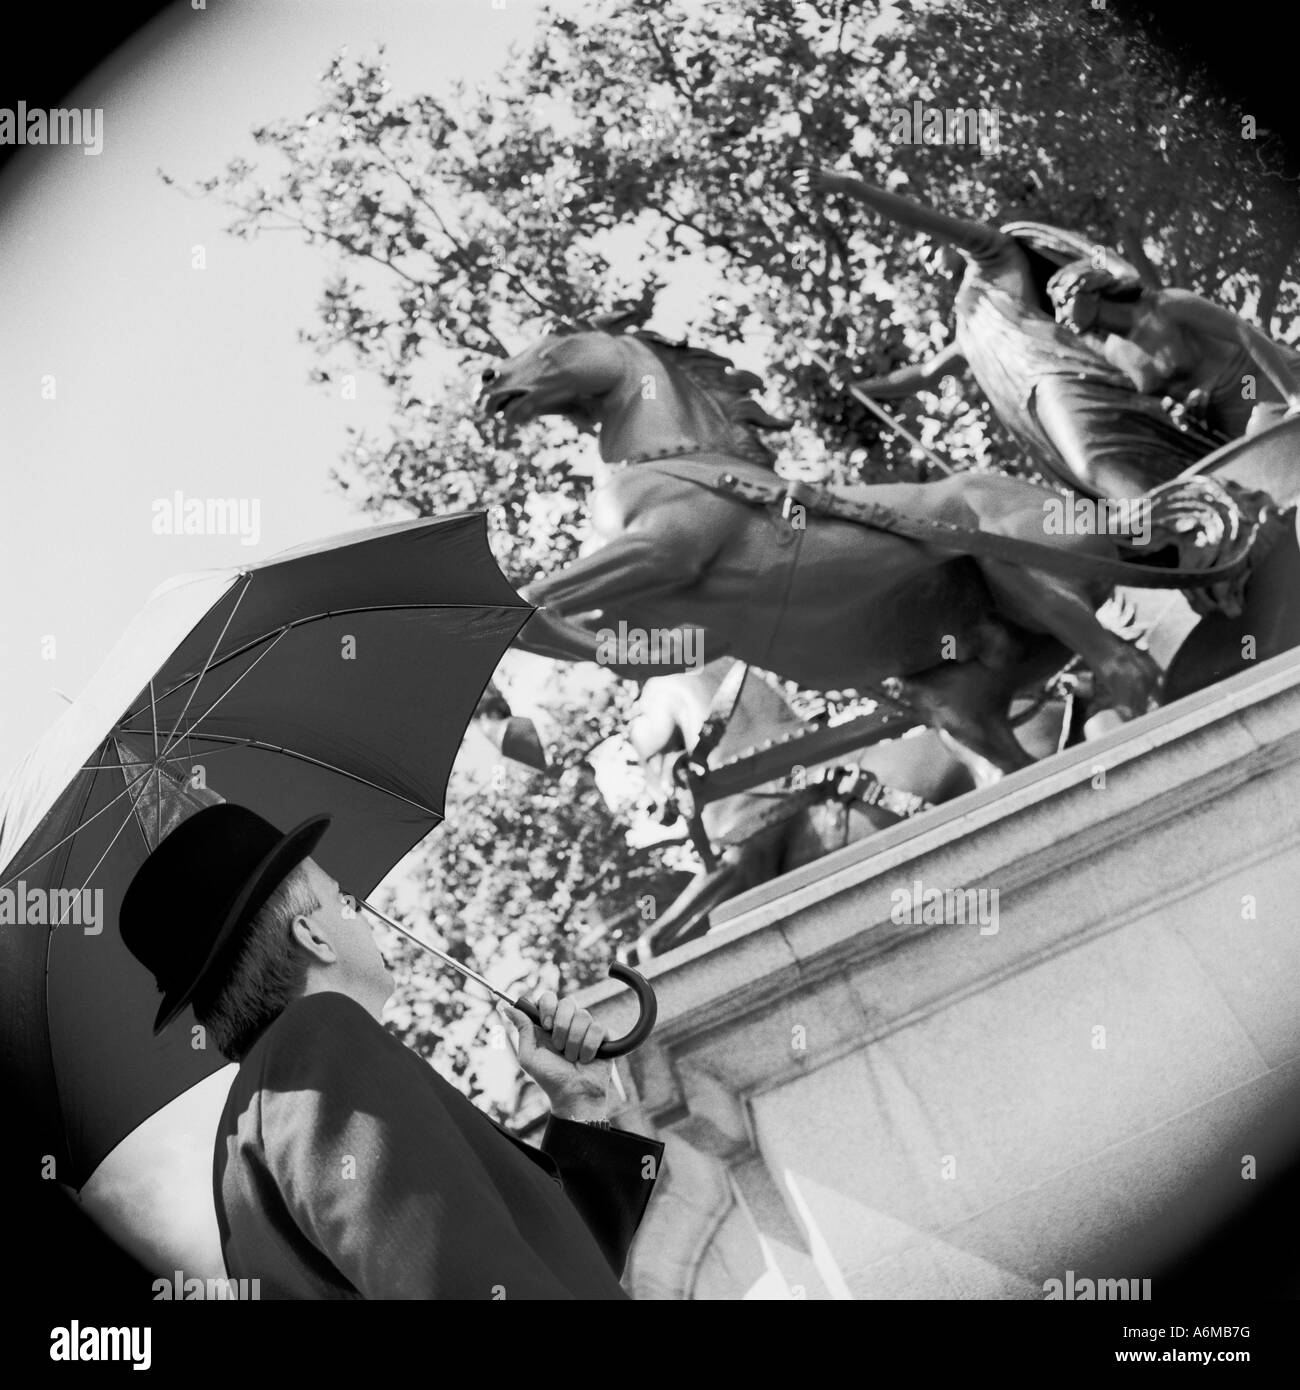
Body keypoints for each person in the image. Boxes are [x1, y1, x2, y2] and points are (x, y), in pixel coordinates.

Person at [120, 803, 664, 1300]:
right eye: (341, 898)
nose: (359, 908)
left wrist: (582, 1108)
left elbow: (552, 1269)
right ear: (313, 935)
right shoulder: (320, 1040)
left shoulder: (251, 1131)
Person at [796, 166, 1215, 500]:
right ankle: (1191, 515)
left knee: (1095, 462)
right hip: (1033, 409)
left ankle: (1186, 529)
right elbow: (927, 374)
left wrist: (848, 186)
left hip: (1061, 377)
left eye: (929, 248)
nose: (926, 261)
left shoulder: (993, 256)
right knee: (1096, 479)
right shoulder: (971, 325)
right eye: (920, 259)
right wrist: (859, 387)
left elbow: (922, 218)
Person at [1046, 259, 1300, 440]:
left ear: (1090, 291)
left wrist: (1294, 396)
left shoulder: (1168, 305)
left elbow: (1247, 334)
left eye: (1062, 303)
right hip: (1227, 422)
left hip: (1253, 384)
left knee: (1267, 440)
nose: (1059, 317)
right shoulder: (1115, 352)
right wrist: (1181, 409)